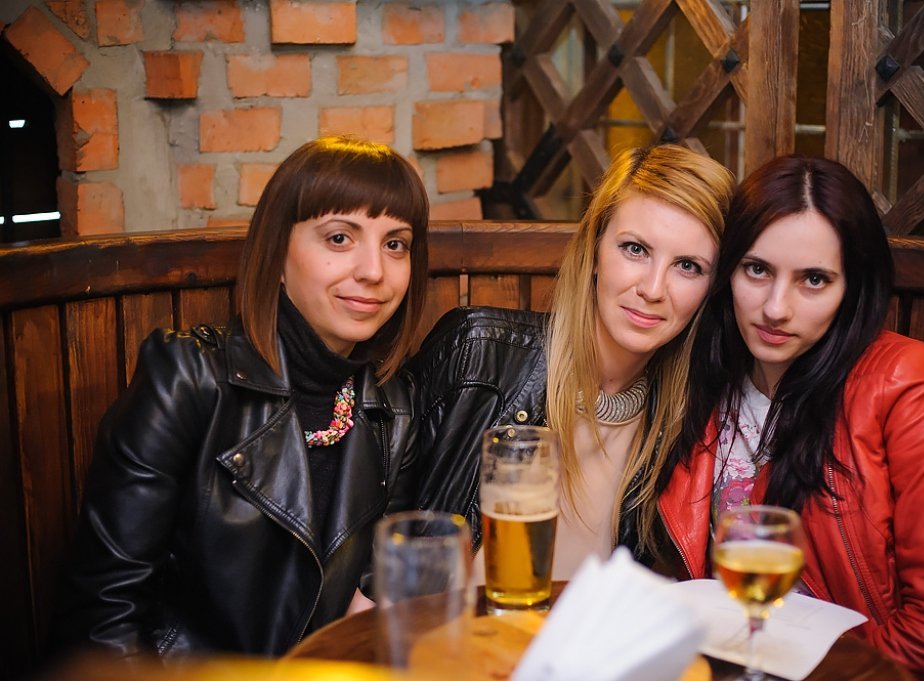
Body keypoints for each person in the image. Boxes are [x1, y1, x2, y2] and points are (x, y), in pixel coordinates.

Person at [53, 136, 428, 658]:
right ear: (276, 255)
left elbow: (373, 608)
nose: (373, 271)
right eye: (340, 238)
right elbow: (104, 616)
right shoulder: (187, 377)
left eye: (395, 244)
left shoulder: (395, 408)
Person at [656, 155, 924, 679]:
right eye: (757, 269)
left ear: (851, 288)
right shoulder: (702, 381)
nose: (776, 308)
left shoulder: (908, 384)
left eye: (813, 279)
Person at [409, 144, 734, 579]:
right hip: (449, 623)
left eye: (688, 266)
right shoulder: (479, 354)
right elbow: (380, 558)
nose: (654, 289)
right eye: (635, 249)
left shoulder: (685, 423)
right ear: (595, 250)